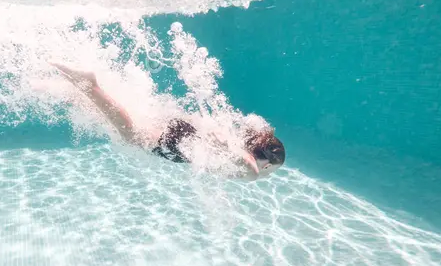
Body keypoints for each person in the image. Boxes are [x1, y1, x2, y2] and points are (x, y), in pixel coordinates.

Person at [48, 61, 285, 180]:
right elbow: (250, 166)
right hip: (182, 141)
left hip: (187, 130)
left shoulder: (238, 147)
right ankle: (91, 87)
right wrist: (227, 149)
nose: (267, 174)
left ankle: (67, 91)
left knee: (132, 118)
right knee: (132, 135)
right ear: (267, 164)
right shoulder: (252, 170)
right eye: (272, 171)